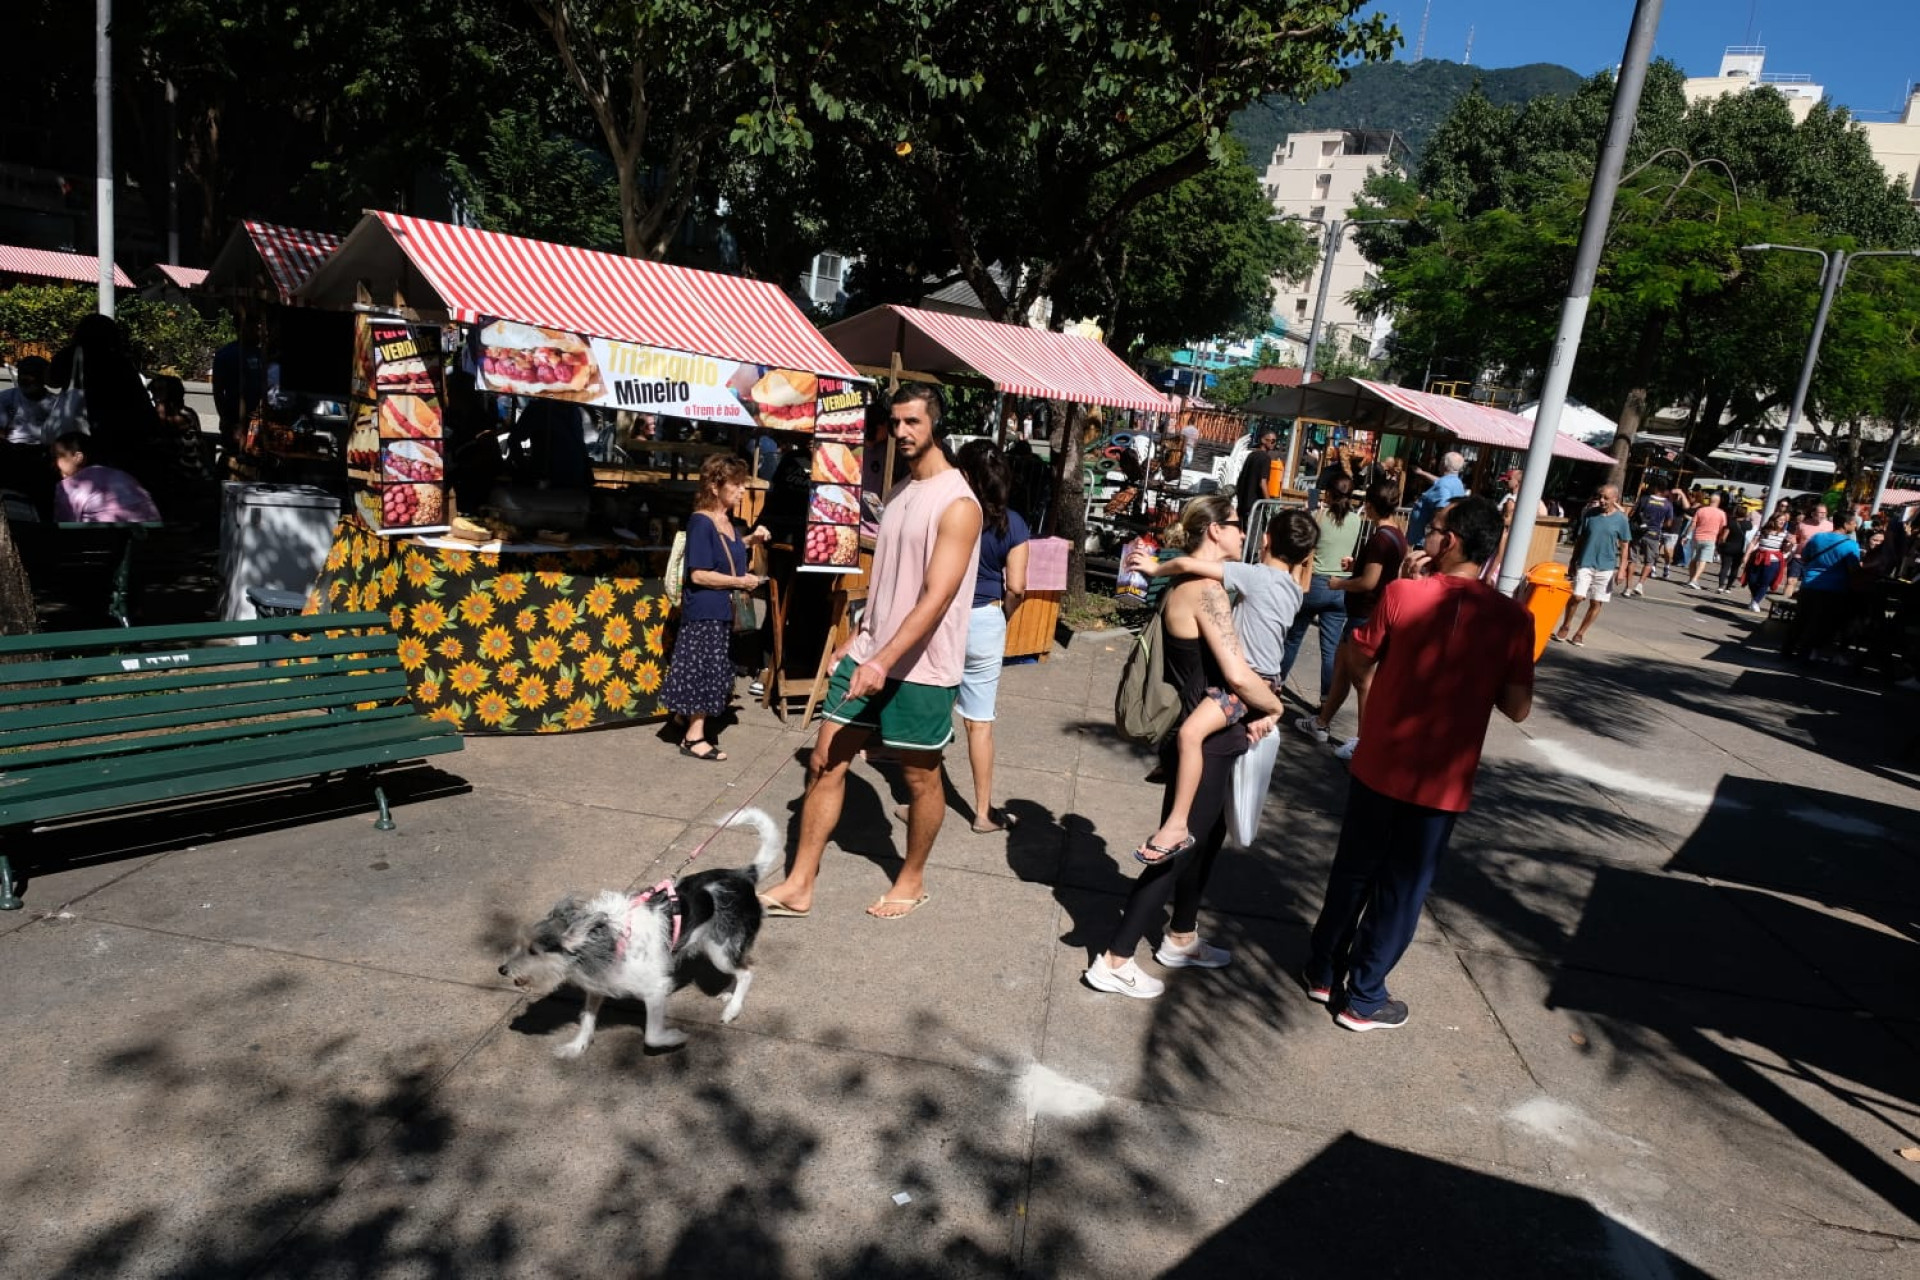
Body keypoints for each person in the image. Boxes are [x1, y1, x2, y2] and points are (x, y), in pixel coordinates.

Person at [1303, 495, 1533, 1030]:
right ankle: (1363, 996)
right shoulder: (1512, 618)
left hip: (1381, 760)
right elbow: (1518, 708)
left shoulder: (1403, 594)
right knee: (1402, 888)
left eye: (1431, 529)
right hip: (1441, 778)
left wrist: (1403, 590)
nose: (1424, 536)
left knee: (1354, 872)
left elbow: (1358, 658)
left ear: (1449, 542)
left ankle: (1322, 971)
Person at [758, 386, 982, 920]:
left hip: (925, 668)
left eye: (912, 422)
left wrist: (884, 660)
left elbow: (937, 597)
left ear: (935, 425)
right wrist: (858, 643)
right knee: (824, 762)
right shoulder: (901, 491)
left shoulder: (958, 503)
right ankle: (799, 883)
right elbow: (888, 587)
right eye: (896, 422)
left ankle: (911, 878)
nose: (902, 432)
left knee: (920, 777)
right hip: (871, 653)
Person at [1086, 497, 1289, 998]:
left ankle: (1181, 936)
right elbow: (1238, 674)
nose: (1245, 535)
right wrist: (1276, 709)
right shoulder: (1207, 591)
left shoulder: (1193, 583)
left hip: (1208, 733)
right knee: (1175, 849)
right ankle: (1114, 958)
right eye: (1239, 525)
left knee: (1205, 842)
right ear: (1215, 530)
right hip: (1208, 739)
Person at [1122, 505, 1314, 864]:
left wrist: (1154, 566)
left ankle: (1177, 824)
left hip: (1245, 684)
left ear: (1267, 539)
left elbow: (1184, 565)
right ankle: (1175, 766)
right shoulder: (1295, 588)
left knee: (1190, 734)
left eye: (1249, 530)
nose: (1243, 534)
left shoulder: (1254, 576)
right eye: (1238, 526)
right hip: (1267, 678)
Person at [660, 456, 769, 761]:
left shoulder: (727, 522)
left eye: (741, 484)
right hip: (704, 610)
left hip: (721, 611)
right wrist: (740, 581)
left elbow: (727, 553)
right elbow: (698, 574)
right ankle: (694, 737)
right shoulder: (701, 521)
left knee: (713, 668)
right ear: (714, 485)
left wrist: (750, 540)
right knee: (702, 670)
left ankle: (684, 719)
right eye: (735, 484)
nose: (741, 490)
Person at [1294, 479, 1408, 760]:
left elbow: (1370, 582)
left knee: (1362, 679)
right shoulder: (1397, 534)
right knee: (1342, 670)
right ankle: (1321, 723)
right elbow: (1379, 572)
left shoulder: (1382, 538)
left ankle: (1364, 739)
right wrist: (1355, 565)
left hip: (1365, 613)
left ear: (1369, 505)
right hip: (1364, 611)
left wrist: (1339, 584)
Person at [952, 440, 1030, 833]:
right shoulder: (1014, 523)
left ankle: (920, 801)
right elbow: (1017, 586)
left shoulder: (950, 513)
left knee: (933, 714)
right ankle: (983, 813)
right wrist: (1003, 617)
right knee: (979, 722)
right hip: (986, 619)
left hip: (945, 618)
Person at [1279, 471, 1362, 697]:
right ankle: (1326, 700)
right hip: (1341, 587)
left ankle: (1275, 686)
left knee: (1293, 639)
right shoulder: (1356, 520)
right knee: (1330, 650)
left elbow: (1307, 541)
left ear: (1330, 494)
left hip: (1314, 583)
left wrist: (1309, 511)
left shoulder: (1319, 515)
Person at [1553, 484, 1631, 647]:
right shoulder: (1590, 515)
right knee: (1577, 597)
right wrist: (1573, 560)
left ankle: (1580, 633)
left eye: (1606, 498)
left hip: (1606, 566)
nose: (1601, 501)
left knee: (1596, 602)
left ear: (1615, 499)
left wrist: (1622, 569)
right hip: (1585, 562)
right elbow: (1580, 540)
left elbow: (1625, 545)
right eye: (1599, 497)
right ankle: (1566, 624)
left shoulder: (1621, 520)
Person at [1782, 511, 1862, 663]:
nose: (1855, 525)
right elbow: (1854, 570)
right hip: (1833, 589)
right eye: (1853, 522)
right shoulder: (1851, 545)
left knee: (1801, 618)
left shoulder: (1818, 538)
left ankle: (1788, 648)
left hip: (1809, 585)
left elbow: (1805, 557)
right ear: (1845, 524)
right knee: (1821, 623)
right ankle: (1807, 654)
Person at [50, 432, 161, 523]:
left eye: (57, 456)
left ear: (78, 457)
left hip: (103, 546)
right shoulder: (124, 476)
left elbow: (64, 528)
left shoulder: (70, 486)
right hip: (149, 542)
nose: (53, 464)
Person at [1623, 483, 1675, 597]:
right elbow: (1669, 523)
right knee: (1650, 561)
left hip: (1638, 533)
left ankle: (1628, 587)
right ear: (1664, 490)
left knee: (1632, 560)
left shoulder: (1644, 499)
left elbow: (1632, 513)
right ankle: (1640, 584)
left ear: (1655, 488)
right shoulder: (1668, 504)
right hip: (1653, 534)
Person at [1405, 451, 1465, 542]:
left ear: (1444, 464)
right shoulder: (1456, 483)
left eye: (1441, 460)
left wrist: (1432, 533)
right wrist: (1422, 473)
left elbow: (1442, 509)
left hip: (1422, 541)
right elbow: (1440, 482)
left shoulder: (1443, 485)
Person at [1738, 511, 1792, 613]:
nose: (1782, 522)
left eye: (1784, 521)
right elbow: (1753, 543)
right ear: (1773, 520)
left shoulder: (1785, 534)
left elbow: (1786, 549)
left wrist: (1791, 544)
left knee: (1765, 582)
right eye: (1780, 520)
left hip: (1773, 561)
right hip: (1759, 557)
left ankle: (1755, 602)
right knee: (1752, 580)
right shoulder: (1763, 531)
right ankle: (1755, 599)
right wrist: (1746, 555)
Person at [1234, 427, 1278, 525]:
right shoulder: (1265, 458)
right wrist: (1268, 503)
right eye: (1272, 441)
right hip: (1255, 506)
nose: (1274, 444)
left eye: (1275, 441)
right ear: (1263, 440)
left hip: (1243, 504)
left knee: (1244, 534)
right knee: (1253, 536)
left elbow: (1241, 478)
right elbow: (1262, 483)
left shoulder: (1251, 455)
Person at [1683, 493, 1727, 589]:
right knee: (1703, 560)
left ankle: (1691, 579)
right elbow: (1722, 528)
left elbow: (1693, 524)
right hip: (1710, 539)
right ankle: (1695, 580)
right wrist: (1719, 538)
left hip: (1697, 537)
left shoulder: (1701, 510)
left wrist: (1686, 536)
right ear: (1718, 502)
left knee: (1693, 559)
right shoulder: (1721, 513)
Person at [1716, 501, 1753, 593]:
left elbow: (1724, 537)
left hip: (1728, 547)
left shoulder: (1731, 523)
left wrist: (1720, 545)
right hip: (1740, 549)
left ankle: (1720, 586)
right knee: (1735, 569)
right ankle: (1728, 588)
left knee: (1725, 567)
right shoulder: (1748, 525)